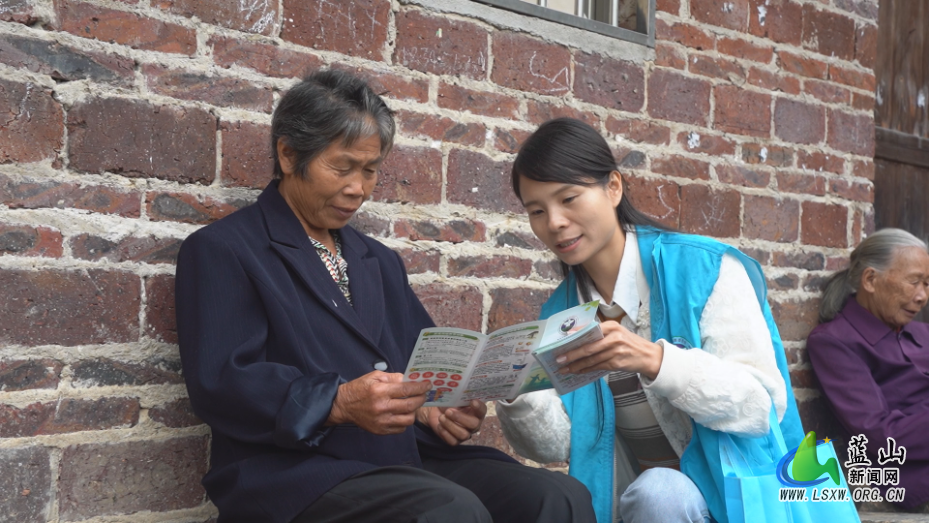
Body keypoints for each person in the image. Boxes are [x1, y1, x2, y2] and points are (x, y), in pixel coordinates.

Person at [174, 71, 595, 523]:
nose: (358, 188)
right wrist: (336, 403)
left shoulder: (376, 259)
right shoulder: (225, 249)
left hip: (398, 460)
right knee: (449, 510)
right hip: (295, 471)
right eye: (342, 167)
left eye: (370, 170)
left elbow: (417, 363)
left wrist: (433, 409)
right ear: (289, 154)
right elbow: (221, 383)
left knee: (556, 495)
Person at [495, 118, 806, 523]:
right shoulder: (562, 312)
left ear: (613, 188)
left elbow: (760, 406)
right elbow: (562, 445)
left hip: (741, 500)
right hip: (633, 506)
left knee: (660, 492)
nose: (553, 222)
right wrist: (519, 392)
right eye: (537, 210)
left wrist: (656, 361)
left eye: (568, 198)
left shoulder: (704, 268)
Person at [807, 228, 929, 510]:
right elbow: (879, 435)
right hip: (909, 481)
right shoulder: (834, 342)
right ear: (871, 280)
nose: (922, 296)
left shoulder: (923, 334)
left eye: (927, 283)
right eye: (914, 282)